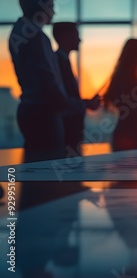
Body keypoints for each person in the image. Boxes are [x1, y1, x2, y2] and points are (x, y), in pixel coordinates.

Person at [9, 0, 86, 163]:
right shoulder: (36, 36)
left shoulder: (20, 31)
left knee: (36, 170)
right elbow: (48, 82)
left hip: (34, 110)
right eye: (51, 6)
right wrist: (71, 104)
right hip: (44, 114)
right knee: (48, 170)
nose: (54, 12)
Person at [53, 22, 100, 156]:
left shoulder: (63, 61)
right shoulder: (57, 62)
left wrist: (85, 103)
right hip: (66, 133)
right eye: (76, 35)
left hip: (69, 133)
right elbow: (61, 100)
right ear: (64, 37)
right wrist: (86, 104)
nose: (80, 40)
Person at [102, 39, 137, 151]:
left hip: (131, 135)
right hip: (128, 136)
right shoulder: (125, 76)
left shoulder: (127, 75)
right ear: (135, 53)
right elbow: (127, 106)